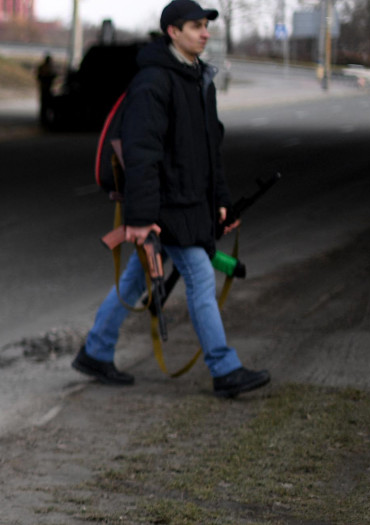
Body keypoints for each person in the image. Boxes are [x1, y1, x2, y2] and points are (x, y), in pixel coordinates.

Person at [72, 0, 270, 398]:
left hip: (189, 204)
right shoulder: (153, 82)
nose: (204, 32)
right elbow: (141, 154)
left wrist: (223, 203)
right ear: (172, 32)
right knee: (199, 276)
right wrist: (141, 219)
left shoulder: (199, 80)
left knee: (133, 281)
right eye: (195, 25)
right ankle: (224, 368)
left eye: (205, 25)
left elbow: (210, 151)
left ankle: (95, 351)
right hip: (165, 208)